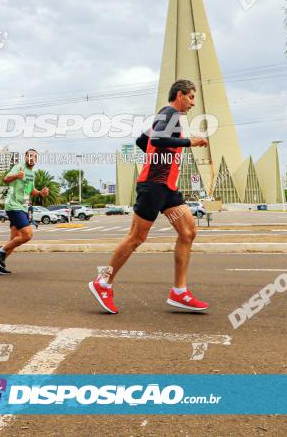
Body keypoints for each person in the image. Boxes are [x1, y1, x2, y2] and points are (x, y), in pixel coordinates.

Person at [88, 79, 209, 314]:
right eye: (191, 97)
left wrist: (157, 157)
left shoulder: (168, 117)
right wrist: (189, 142)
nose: (193, 103)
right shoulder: (169, 113)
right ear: (180, 95)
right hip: (153, 186)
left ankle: (179, 292)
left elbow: (142, 141)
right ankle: (102, 282)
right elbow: (156, 140)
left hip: (168, 188)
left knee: (188, 232)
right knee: (136, 238)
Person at [0, 149, 48, 274]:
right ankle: (0, 250)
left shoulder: (32, 174)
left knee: (15, 239)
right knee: (27, 235)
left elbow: (30, 190)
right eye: (29, 155)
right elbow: (5, 179)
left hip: (23, 207)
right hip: (13, 206)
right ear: (25, 157)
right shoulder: (19, 167)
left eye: (34, 156)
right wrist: (17, 175)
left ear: (36, 160)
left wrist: (40, 193)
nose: (31, 158)